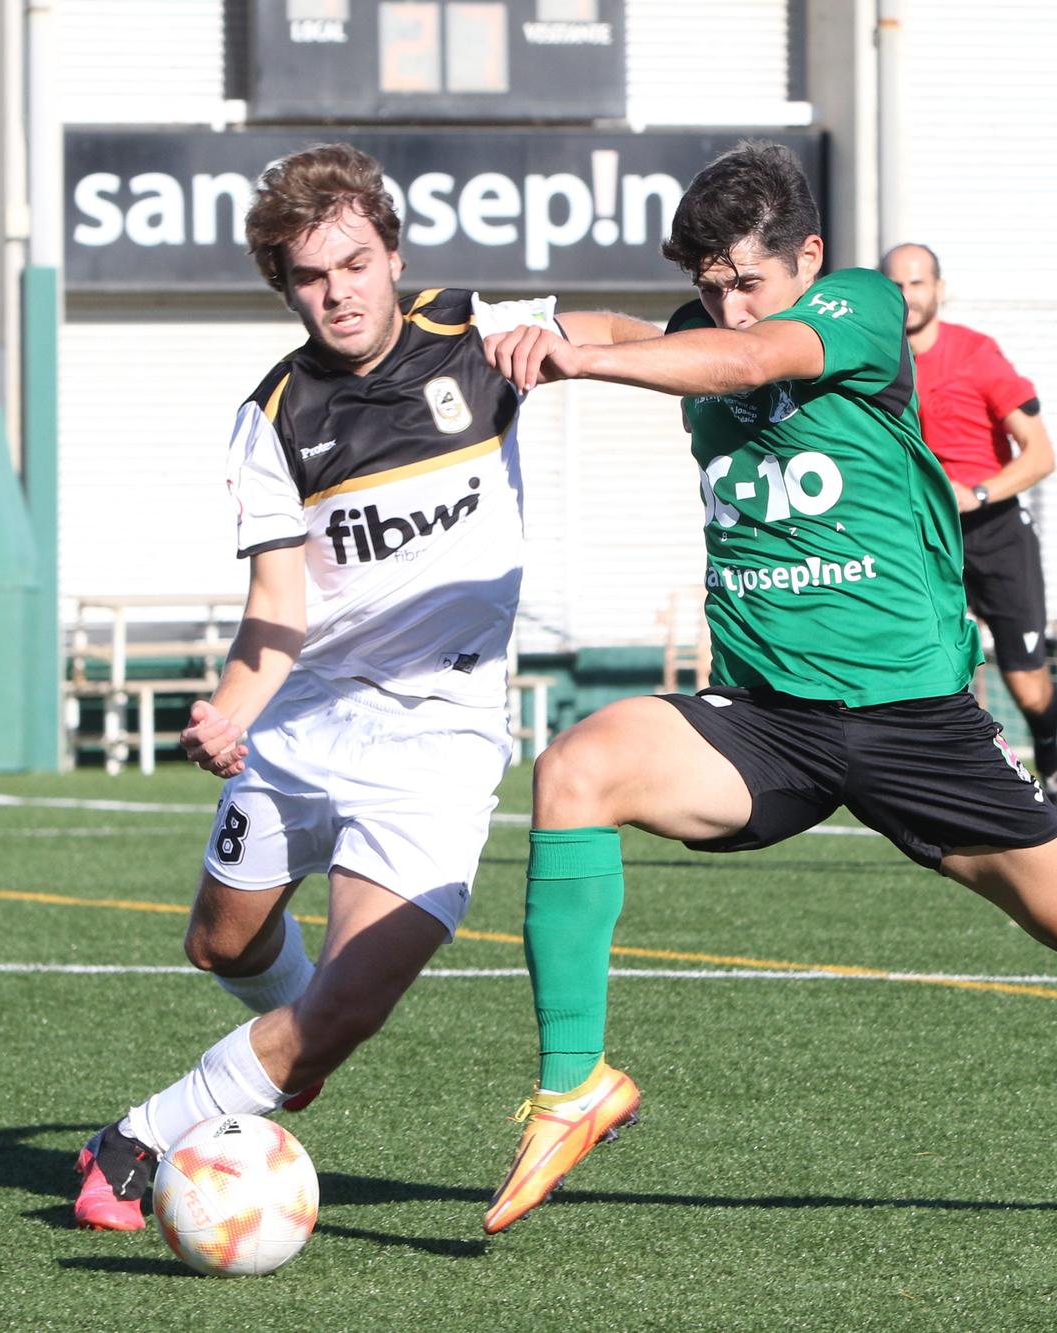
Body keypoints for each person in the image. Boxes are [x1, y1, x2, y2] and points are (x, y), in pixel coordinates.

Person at [477, 141, 1057, 1235]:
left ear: (807, 255)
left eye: (746, 281)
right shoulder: (704, 322)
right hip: (768, 724)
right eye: (709, 289)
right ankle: (574, 1086)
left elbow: (744, 365)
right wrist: (503, 324)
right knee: (575, 766)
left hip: (914, 722)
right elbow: (626, 331)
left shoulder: (857, 310)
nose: (726, 305)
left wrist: (577, 363)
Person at [70, 142, 642, 1230]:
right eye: (308, 277)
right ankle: (289, 1050)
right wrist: (230, 713)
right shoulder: (275, 416)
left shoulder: (471, 333)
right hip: (304, 716)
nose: (335, 292)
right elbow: (276, 604)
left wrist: (680, 355)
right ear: (283, 288)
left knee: (351, 993)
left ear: (391, 251)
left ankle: (141, 1134)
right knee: (220, 943)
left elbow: (617, 333)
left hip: (443, 736)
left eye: (352, 263)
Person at [881, 242, 1057, 825]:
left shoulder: (977, 355)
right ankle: (941, 789)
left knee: (1027, 684)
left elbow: (1040, 454)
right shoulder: (871, 360)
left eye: (917, 284)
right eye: (894, 285)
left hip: (994, 533)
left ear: (939, 289)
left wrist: (980, 492)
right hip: (919, 540)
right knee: (926, 669)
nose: (907, 296)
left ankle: (1050, 751)